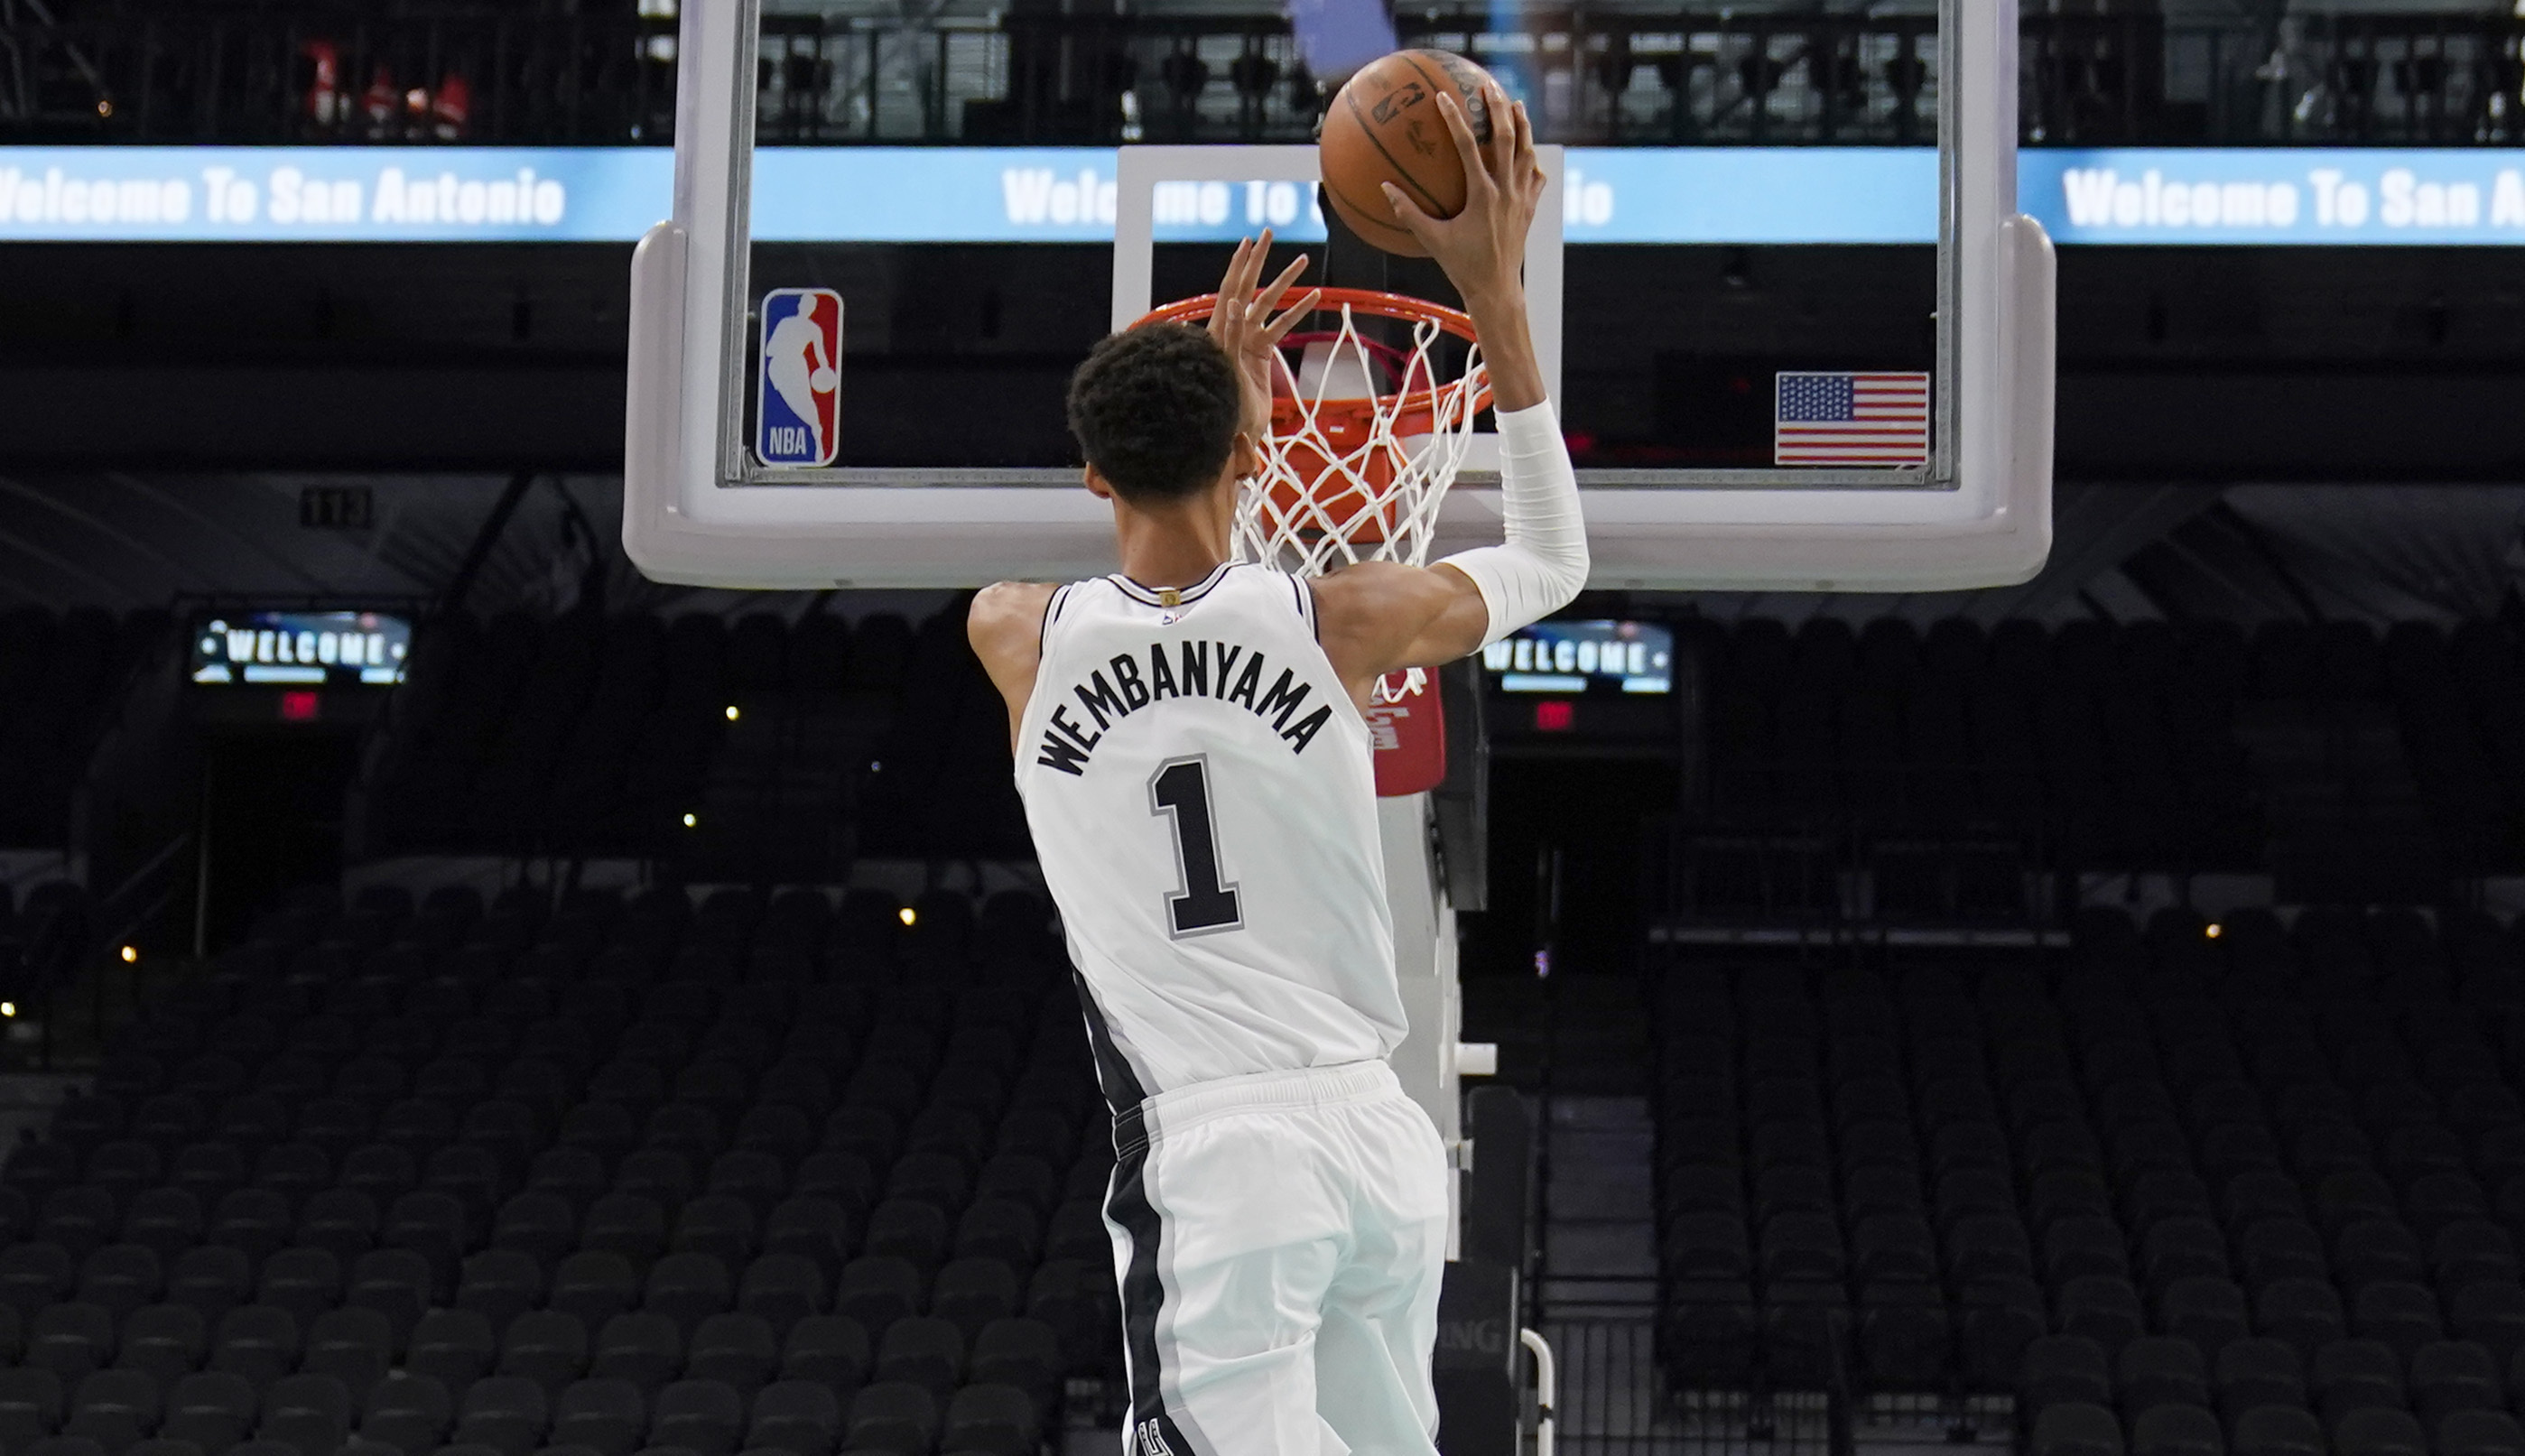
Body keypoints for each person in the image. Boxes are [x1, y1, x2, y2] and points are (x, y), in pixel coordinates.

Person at [967, 78, 1586, 1456]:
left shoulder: (1014, 630)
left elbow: (1156, 610)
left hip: (1220, 1153)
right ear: (1257, 453)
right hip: (1377, 1138)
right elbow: (1554, 560)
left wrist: (1221, 424)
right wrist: (1495, 301)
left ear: (1088, 478)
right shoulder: (1337, 618)